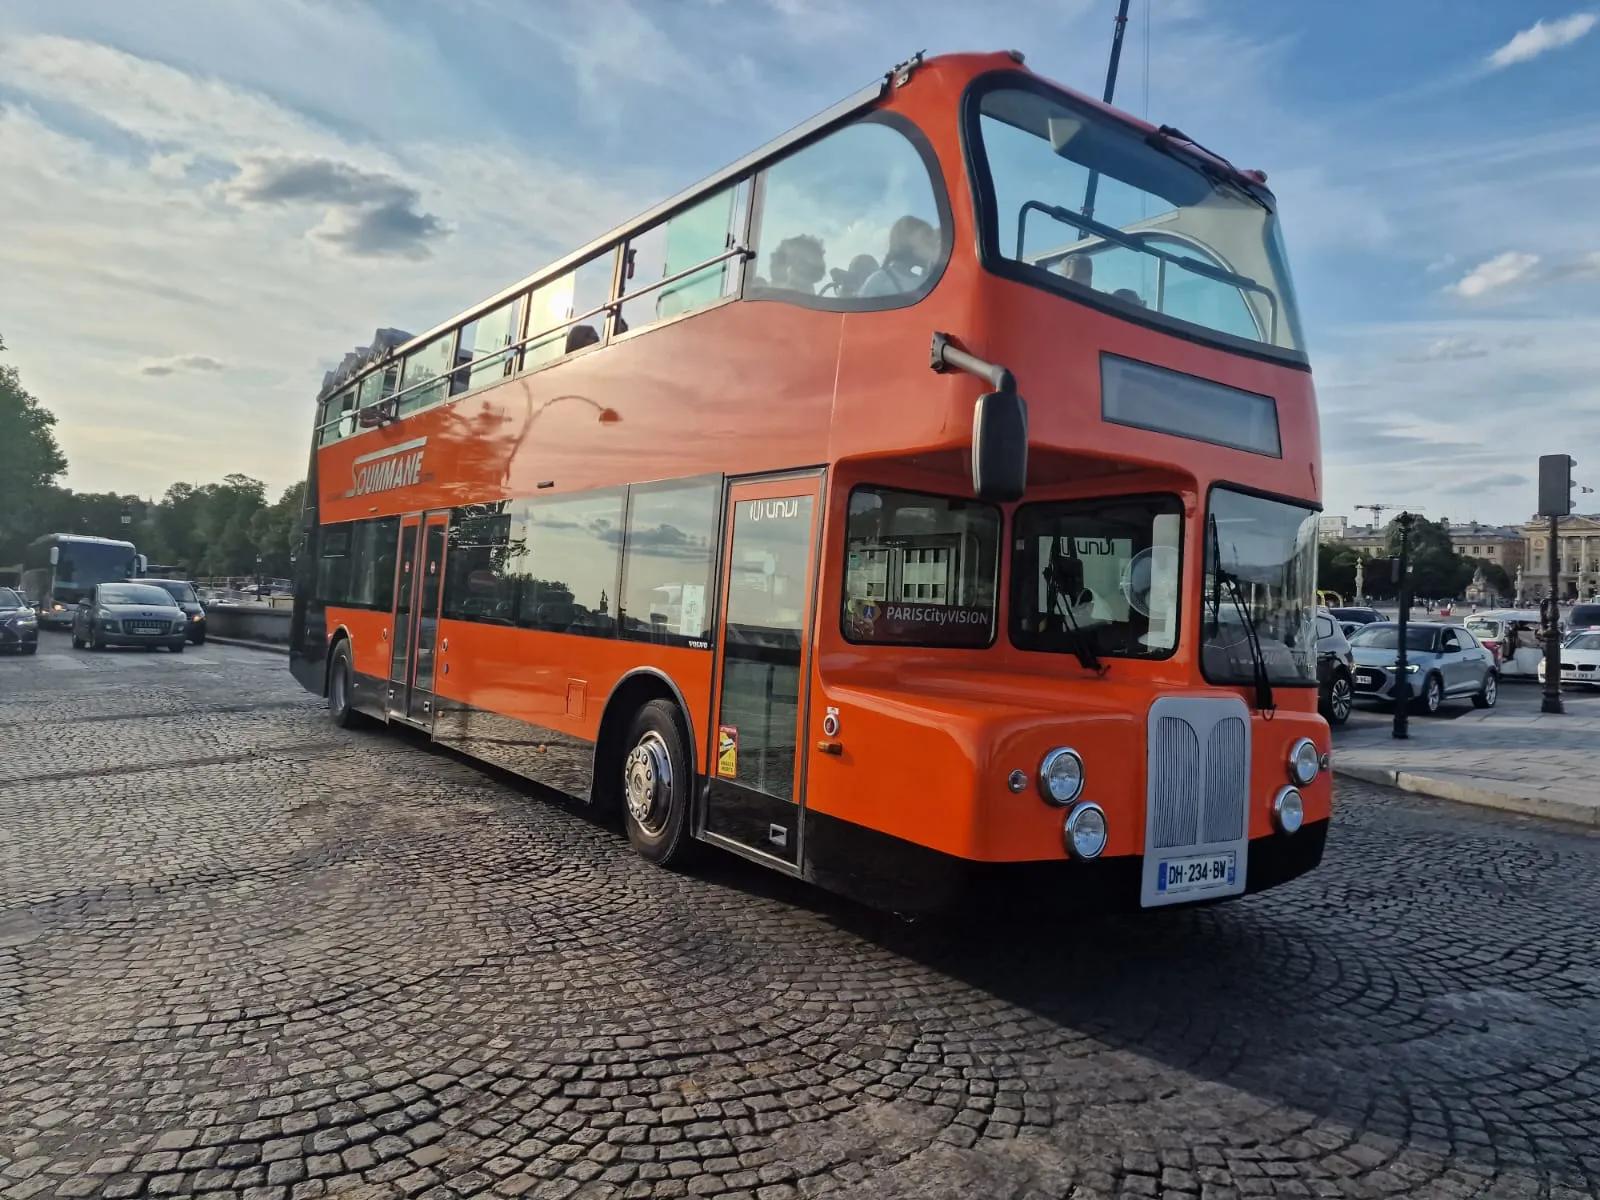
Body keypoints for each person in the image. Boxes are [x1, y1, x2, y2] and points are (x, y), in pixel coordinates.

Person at [859, 216, 939, 298]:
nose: (932, 243)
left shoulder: (927, 281)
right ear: (904, 241)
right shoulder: (879, 281)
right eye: (925, 237)